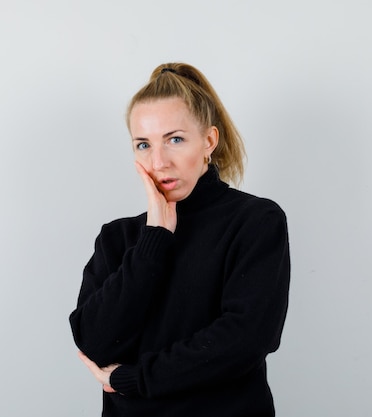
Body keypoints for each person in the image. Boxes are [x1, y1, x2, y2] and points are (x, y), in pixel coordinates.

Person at [69, 62, 290, 416]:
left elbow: (247, 340)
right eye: (143, 144)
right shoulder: (117, 238)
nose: (158, 162)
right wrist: (153, 239)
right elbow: (95, 341)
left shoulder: (255, 221)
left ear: (209, 141)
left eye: (175, 139)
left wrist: (134, 378)